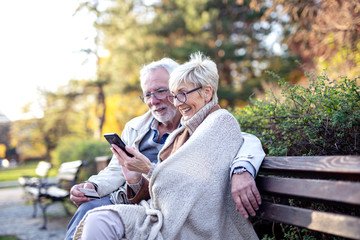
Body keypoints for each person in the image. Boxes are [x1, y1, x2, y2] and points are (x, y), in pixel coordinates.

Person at [65, 57, 265, 239]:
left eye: (162, 91)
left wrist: (242, 169)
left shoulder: (200, 123)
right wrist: (93, 186)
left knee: (98, 218)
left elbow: (241, 140)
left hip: (165, 208)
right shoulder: (136, 127)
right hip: (136, 200)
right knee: (89, 210)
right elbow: (116, 169)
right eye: (147, 95)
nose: (154, 101)